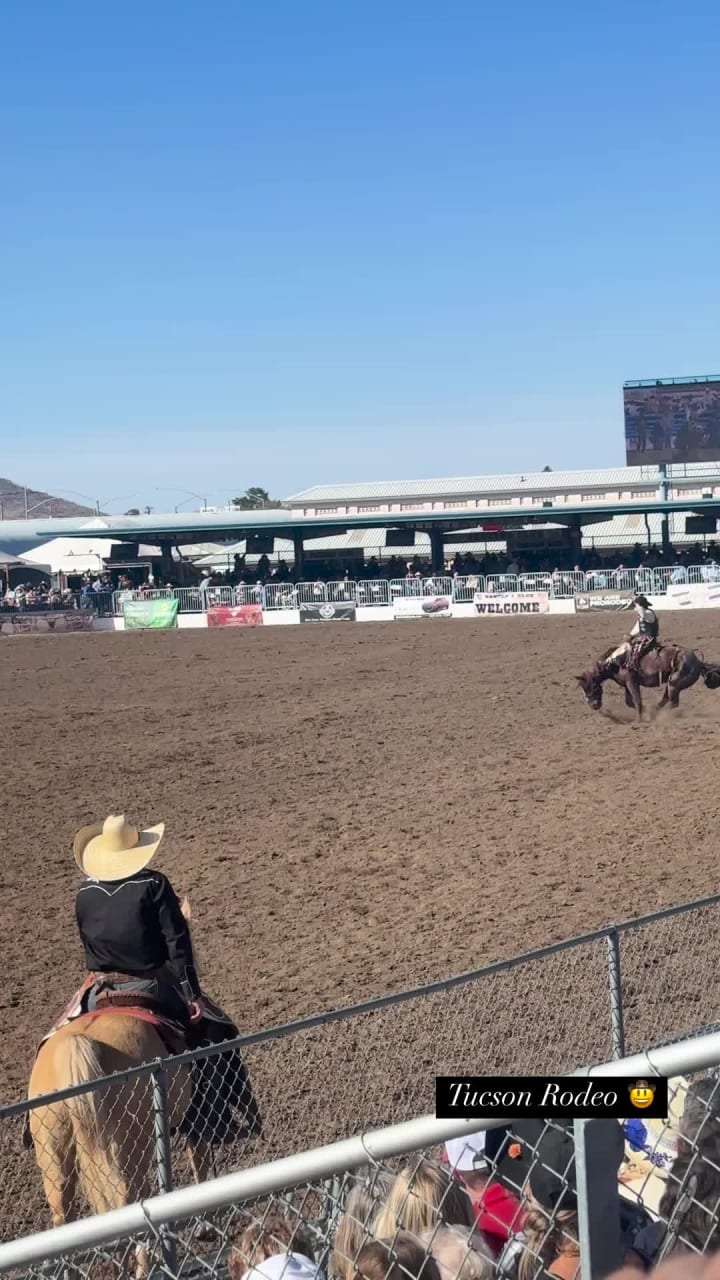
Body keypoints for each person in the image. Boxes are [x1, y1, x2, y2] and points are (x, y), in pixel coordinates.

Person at [73, 813, 203, 1027]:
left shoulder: (85, 891)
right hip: (149, 986)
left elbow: (87, 939)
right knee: (205, 1032)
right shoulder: (154, 883)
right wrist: (192, 993)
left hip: (100, 990)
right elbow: (176, 942)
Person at [607, 595, 660, 671]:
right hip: (643, 638)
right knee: (625, 645)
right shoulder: (643, 615)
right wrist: (630, 635)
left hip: (648, 640)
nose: (635, 608)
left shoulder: (648, 613)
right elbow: (638, 627)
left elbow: (642, 614)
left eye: (636, 606)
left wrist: (637, 603)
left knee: (628, 648)